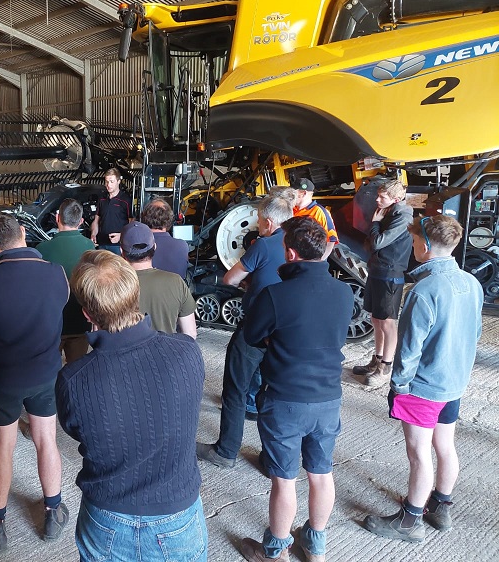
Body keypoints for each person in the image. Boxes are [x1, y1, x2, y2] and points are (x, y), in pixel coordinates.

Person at [56, 250, 208, 561]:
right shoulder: (187, 353)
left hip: (108, 518)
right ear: (134, 293)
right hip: (176, 514)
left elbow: (75, 430)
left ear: (87, 313)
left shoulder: (73, 379)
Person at [240, 217, 354, 562]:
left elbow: (251, 335)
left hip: (286, 398)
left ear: (290, 253)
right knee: (321, 473)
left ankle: (275, 552)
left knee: (284, 480)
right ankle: (315, 547)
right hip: (328, 397)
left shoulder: (276, 293)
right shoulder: (344, 291)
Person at [364, 215, 482, 543]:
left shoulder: (425, 289)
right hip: (453, 383)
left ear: (426, 246)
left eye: (416, 241)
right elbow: (474, 334)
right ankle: (440, 506)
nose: (413, 246)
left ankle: (409, 521)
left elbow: (410, 349)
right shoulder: (471, 283)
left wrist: (398, 387)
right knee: (444, 446)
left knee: (418, 454)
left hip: (424, 387)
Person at [0, 214, 70, 554]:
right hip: (44, 374)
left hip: (3, 378)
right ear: (24, 233)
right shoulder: (56, 273)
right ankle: (53, 511)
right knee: (46, 440)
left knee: (3, 448)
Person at [196, 194, 293, 468]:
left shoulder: (263, 245)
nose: (258, 225)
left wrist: (250, 282)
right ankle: (272, 457)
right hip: (283, 331)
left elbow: (230, 277)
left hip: (255, 328)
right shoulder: (294, 242)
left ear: (269, 222)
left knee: (235, 389)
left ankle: (226, 451)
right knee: (270, 390)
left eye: (260, 220)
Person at [352, 179, 413, 387]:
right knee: (376, 319)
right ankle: (375, 361)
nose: (377, 199)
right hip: (378, 271)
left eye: (382, 197)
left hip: (390, 274)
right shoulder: (388, 212)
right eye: (378, 195)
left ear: (395, 199)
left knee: (387, 322)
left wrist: (375, 223)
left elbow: (378, 242)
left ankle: (385, 368)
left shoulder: (402, 216)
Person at [36, 198, 95, 363]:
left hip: (52, 323)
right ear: (81, 221)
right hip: (80, 321)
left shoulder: (42, 249)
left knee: (50, 374)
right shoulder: (89, 247)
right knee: (76, 373)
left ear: (57, 218)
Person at [120, 221, 197, 338]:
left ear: (122, 251)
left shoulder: (113, 284)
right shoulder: (175, 282)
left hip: (125, 355)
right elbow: (190, 334)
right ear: (155, 247)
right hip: (166, 353)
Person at [141, 197, 189, 278]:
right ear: (169, 219)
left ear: (144, 218)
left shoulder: (138, 245)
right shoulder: (182, 245)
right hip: (174, 290)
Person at [291, 177, 338, 260]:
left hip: (310, 261)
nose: (291, 196)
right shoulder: (292, 209)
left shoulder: (319, 212)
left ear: (303, 193)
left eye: (293, 193)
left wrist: (318, 261)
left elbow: (330, 240)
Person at [90, 168, 132, 254]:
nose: (108, 185)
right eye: (106, 181)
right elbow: (96, 220)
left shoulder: (126, 200)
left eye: (112, 182)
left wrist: (121, 236)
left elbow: (132, 223)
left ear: (118, 181)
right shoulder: (102, 199)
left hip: (118, 245)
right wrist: (93, 234)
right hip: (102, 243)